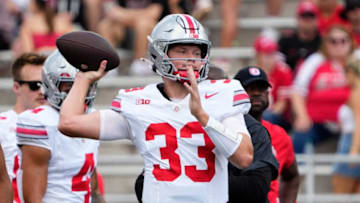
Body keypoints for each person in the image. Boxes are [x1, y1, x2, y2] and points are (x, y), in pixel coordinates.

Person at [58, 14, 254, 203]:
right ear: (159, 52)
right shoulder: (138, 101)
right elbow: (68, 123)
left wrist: (203, 117)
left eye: (197, 52)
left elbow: (244, 157)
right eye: (183, 51)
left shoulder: (222, 93)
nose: (192, 59)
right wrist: (83, 79)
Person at [134, 65, 279, 203]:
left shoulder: (253, 130)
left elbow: (256, 189)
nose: (210, 97)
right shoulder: (177, 124)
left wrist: (188, 181)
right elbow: (143, 185)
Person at [16, 50, 104, 202]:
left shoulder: (91, 117)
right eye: (70, 87)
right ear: (51, 85)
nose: (79, 92)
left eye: (84, 86)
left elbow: (91, 182)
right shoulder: (39, 122)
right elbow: (33, 197)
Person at [234, 66, 300, 203]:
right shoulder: (225, 130)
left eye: (262, 88)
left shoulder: (279, 134)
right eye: (250, 88)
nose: (257, 93)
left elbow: (292, 177)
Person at [291, 24, 354, 153]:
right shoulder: (315, 61)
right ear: (326, 43)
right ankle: (298, 171)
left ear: (350, 42)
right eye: (333, 41)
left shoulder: (356, 62)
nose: (338, 45)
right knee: (300, 134)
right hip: (318, 123)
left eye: (343, 40)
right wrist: (302, 116)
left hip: (350, 122)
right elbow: (297, 91)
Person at [0, 53, 47, 203]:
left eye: (46, 85)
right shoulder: (1, 125)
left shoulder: (58, 124)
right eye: (35, 85)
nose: (42, 91)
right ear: (16, 87)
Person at [332, 55, 360, 194]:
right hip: (351, 140)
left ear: (351, 72)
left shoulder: (357, 93)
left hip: (351, 142)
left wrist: (354, 150)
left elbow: (358, 121)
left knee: (341, 192)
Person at [253, 35, 293, 132]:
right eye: (266, 54)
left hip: (279, 117)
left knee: (267, 118)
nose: (270, 57)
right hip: (258, 114)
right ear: (258, 55)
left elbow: (281, 105)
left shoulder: (283, 71)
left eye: (272, 53)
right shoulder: (252, 73)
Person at [278, 0, 321, 72]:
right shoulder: (286, 41)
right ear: (298, 18)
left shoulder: (323, 42)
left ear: (317, 19)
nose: (308, 20)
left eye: (311, 16)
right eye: (304, 17)